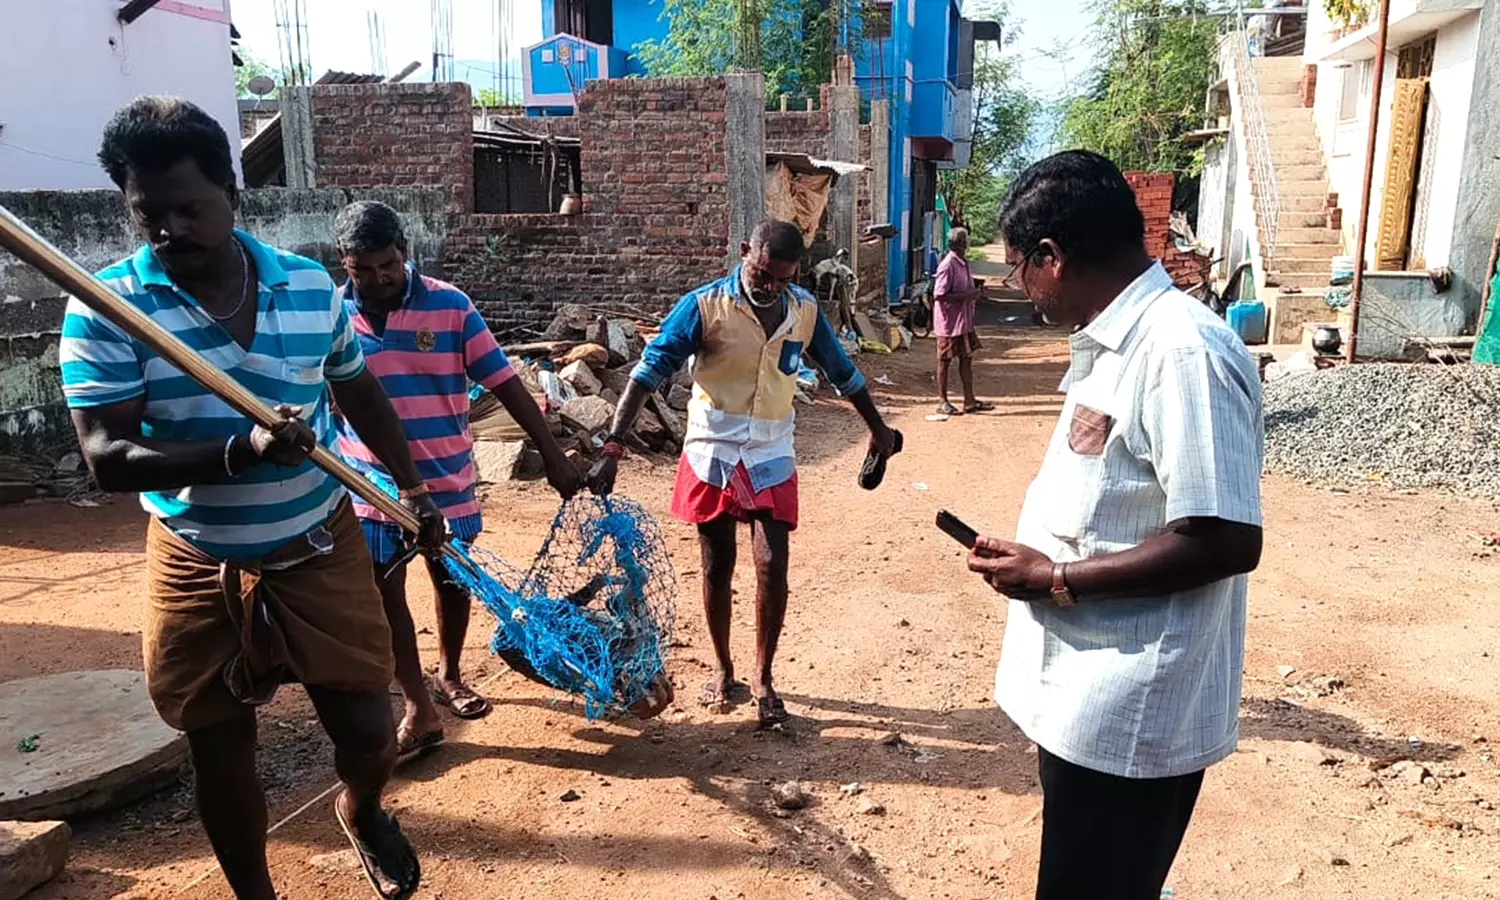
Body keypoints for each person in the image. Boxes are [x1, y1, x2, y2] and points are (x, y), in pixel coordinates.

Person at [58, 98, 436, 900]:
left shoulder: (307, 288)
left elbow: (359, 392)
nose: (169, 229)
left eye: (189, 208)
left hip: (316, 537)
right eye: (147, 214)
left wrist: (412, 484)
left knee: (369, 732)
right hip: (198, 549)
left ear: (233, 190)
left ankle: (362, 810)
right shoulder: (106, 307)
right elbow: (107, 457)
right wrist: (242, 449)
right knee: (218, 743)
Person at [968, 150, 1264, 900]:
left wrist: (1057, 578)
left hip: (1132, 708)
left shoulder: (1181, 350)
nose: (1018, 289)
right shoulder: (1117, 341)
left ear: (1052, 258)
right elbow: (1120, 500)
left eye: (1017, 270)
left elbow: (1226, 537)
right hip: (1088, 697)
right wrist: (1041, 553)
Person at [588, 220, 897, 727]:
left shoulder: (803, 311)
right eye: (762, 273)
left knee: (773, 564)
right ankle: (723, 666)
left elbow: (845, 374)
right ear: (744, 252)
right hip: (712, 447)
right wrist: (614, 444)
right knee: (716, 565)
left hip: (771, 449)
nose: (770, 286)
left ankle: (764, 676)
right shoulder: (705, 306)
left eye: (781, 278)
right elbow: (649, 371)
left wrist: (879, 429)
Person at [330, 200, 583, 760]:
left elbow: (506, 383)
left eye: (387, 266)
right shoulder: (332, 313)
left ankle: (449, 673)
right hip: (371, 482)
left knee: (451, 580)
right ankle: (417, 702)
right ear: (344, 263)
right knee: (383, 588)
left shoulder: (450, 307)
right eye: (361, 269)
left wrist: (554, 454)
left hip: (445, 476)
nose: (376, 279)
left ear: (405, 254)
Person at [932, 227, 992, 415]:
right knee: (945, 360)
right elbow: (939, 295)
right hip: (949, 323)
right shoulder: (948, 264)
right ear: (960, 244)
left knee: (966, 358)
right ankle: (942, 401)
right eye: (965, 241)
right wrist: (968, 295)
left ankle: (969, 400)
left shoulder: (962, 263)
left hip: (963, 321)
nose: (968, 243)